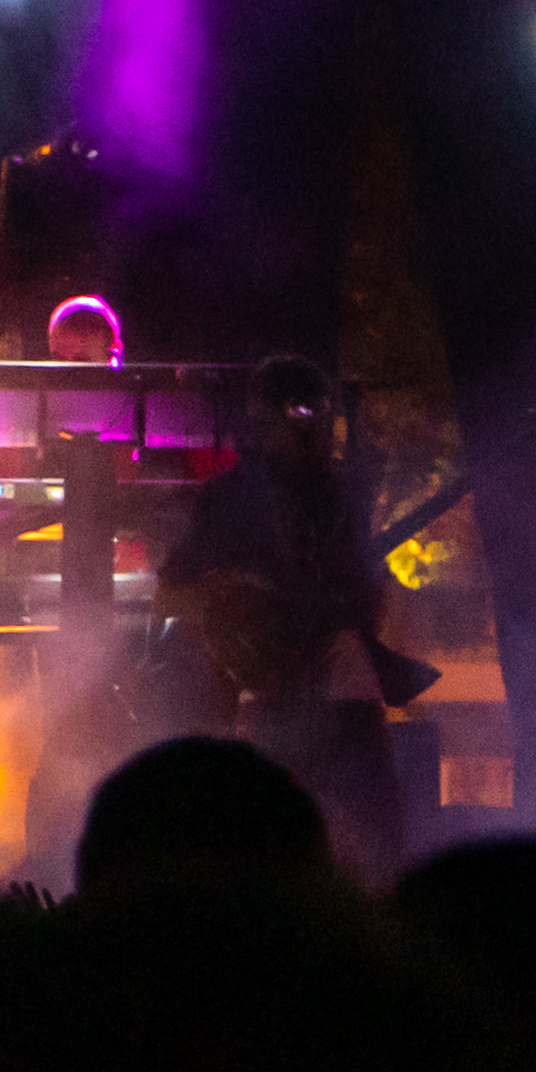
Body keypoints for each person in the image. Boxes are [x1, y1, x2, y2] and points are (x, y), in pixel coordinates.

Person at [166, 356, 436, 874]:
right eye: (297, 414)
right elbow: (175, 591)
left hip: (342, 687)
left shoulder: (345, 493)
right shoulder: (231, 498)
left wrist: (359, 606)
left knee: (372, 847)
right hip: (273, 691)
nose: (310, 430)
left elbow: (371, 590)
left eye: (318, 414)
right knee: (270, 848)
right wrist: (243, 600)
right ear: (264, 420)